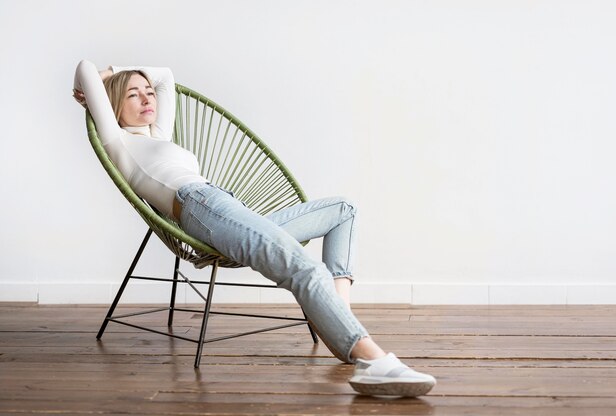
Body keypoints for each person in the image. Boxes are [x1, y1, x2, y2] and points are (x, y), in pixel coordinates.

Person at [73, 59, 436, 397]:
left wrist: (129, 78)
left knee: (343, 210)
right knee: (302, 267)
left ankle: (340, 319)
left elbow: (165, 76)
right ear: (112, 105)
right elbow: (85, 68)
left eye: (147, 92)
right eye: (132, 95)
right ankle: (372, 361)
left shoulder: (159, 136)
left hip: (225, 205)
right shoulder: (117, 141)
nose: (147, 98)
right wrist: (106, 79)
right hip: (200, 207)